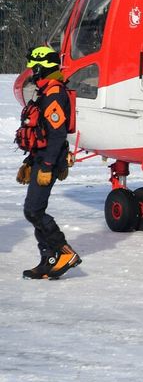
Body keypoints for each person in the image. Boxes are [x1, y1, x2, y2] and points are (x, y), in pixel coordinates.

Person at [17, 45, 80, 279]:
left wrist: (45, 166)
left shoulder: (54, 93)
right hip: (41, 158)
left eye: (34, 67)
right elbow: (40, 132)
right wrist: (31, 162)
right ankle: (49, 258)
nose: (32, 72)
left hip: (49, 160)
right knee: (34, 210)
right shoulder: (44, 91)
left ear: (43, 67)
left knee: (33, 210)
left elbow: (56, 135)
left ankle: (63, 251)